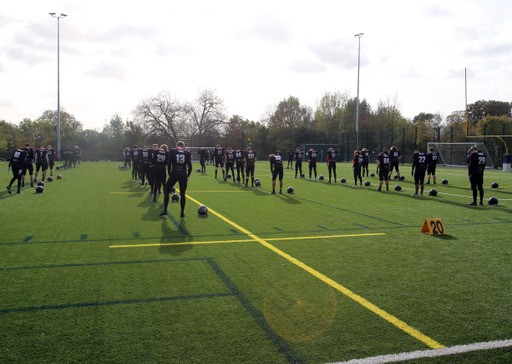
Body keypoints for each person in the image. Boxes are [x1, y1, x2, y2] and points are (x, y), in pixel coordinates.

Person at [160, 141, 192, 217]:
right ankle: (182, 213)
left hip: (175, 172)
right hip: (183, 173)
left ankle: (165, 210)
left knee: (166, 190)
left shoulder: (173, 151)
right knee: (182, 194)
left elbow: (169, 164)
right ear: (183, 146)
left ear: (177, 145)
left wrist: (170, 174)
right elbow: (190, 167)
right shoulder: (187, 153)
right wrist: (187, 176)